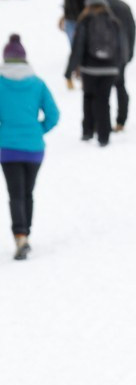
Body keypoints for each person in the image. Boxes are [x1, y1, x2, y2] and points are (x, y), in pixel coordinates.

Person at [0, 34, 59, 260]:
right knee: (27, 192)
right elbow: (53, 115)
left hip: (8, 148)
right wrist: (37, 130)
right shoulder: (37, 83)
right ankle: (26, 233)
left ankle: (21, 235)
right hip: (34, 149)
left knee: (15, 193)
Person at [65, 0, 126, 148]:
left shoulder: (85, 21)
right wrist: (119, 67)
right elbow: (122, 47)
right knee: (103, 101)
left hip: (89, 69)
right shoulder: (114, 22)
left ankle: (88, 131)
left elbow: (78, 48)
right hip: (110, 69)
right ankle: (104, 136)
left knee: (88, 97)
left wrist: (69, 71)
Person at [97, 0, 135, 133]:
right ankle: (121, 120)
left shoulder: (99, 8)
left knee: (103, 89)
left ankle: (102, 123)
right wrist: (130, 52)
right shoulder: (124, 6)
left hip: (104, 55)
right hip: (123, 54)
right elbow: (132, 31)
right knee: (120, 85)